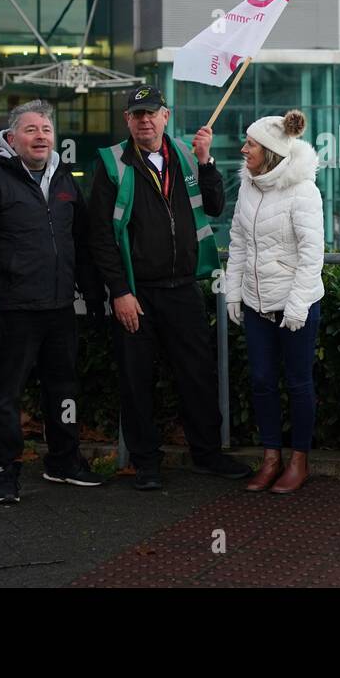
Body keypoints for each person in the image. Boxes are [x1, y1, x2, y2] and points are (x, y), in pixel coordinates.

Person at [88, 85, 251, 490]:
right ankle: (146, 463)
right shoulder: (111, 162)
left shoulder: (184, 155)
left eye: (152, 113)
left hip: (183, 289)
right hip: (137, 293)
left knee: (197, 375)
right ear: (127, 120)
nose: (145, 120)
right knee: (136, 378)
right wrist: (120, 292)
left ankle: (207, 454)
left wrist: (206, 160)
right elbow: (100, 237)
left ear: (166, 116)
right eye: (137, 114)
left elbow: (214, 206)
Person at [0, 100, 106, 505]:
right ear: (11, 137)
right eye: (31, 129)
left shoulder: (65, 180)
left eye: (47, 130)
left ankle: (64, 461)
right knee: (6, 395)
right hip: (11, 310)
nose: (41, 136)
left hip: (58, 308)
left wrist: (91, 292)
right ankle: (3, 469)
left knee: (64, 390)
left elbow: (82, 241)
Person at [224, 110, 325, 493]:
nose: (243, 148)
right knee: (263, 381)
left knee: (298, 383)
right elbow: (238, 242)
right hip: (255, 303)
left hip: (295, 306)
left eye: (250, 143)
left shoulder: (303, 191)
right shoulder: (249, 186)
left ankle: (299, 460)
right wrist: (234, 292)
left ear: (268, 151)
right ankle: (271, 457)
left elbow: (312, 253)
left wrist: (298, 306)